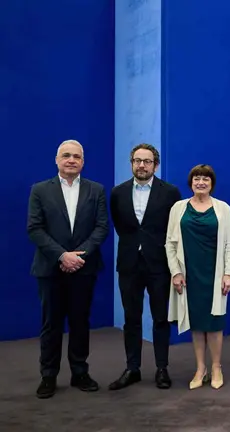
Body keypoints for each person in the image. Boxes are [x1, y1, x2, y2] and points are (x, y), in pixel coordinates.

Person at [26, 139, 109, 399]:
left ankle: (79, 372)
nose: (71, 160)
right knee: (51, 324)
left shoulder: (96, 190)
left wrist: (77, 256)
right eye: (66, 155)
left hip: (84, 268)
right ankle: (48, 375)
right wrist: (62, 256)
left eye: (76, 156)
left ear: (83, 161)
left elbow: (101, 228)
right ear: (57, 159)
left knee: (80, 322)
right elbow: (34, 228)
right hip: (51, 268)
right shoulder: (40, 190)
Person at [108, 144, 181, 391]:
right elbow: (121, 227)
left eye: (147, 161)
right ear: (131, 163)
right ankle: (133, 368)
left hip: (159, 264)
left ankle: (162, 368)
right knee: (131, 318)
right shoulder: (118, 193)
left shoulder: (170, 192)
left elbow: (173, 229)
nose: (142, 165)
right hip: (129, 264)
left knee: (161, 318)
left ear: (155, 165)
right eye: (137, 161)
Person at [165, 164, 230, 390]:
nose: (201, 182)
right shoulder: (178, 208)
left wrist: (228, 273)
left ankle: (216, 367)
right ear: (191, 182)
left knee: (214, 322)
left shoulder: (223, 208)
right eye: (197, 178)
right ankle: (200, 368)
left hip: (214, 274)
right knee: (195, 323)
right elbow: (170, 243)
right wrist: (175, 272)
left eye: (205, 179)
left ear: (212, 183)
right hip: (189, 275)